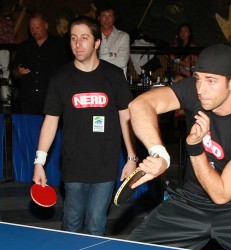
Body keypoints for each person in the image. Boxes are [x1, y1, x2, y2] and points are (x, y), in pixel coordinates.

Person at [127, 44, 231, 250]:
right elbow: (139, 105)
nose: (200, 89)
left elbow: (221, 194)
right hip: (191, 201)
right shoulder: (195, 90)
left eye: (211, 81)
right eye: (197, 78)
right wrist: (159, 154)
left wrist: (195, 148)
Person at [32, 16, 137, 236]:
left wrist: (131, 157)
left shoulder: (114, 76)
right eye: (73, 38)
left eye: (84, 38)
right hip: (73, 166)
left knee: (96, 226)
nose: (78, 44)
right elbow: (50, 121)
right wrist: (39, 162)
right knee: (71, 224)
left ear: (97, 42)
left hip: (105, 166)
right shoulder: (60, 78)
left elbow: (126, 118)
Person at [12, 12, 66, 114]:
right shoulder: (24, 47)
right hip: (28, 100)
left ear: (45, 26)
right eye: (31, 28)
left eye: (37, 27)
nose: (34, 31)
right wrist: (18, 71)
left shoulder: (59, 44)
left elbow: (67, 70)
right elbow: (14, 72)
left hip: (52, 99)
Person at [97, 3, 130, 77]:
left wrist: (99, 59)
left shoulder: (123, 36)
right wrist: (112, 55)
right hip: (98, 81)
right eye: (104, 15)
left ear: (114, 18)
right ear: (99, 17)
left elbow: (122, 61)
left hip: (118, 82)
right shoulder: (93, 36)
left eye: (110, 16)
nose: (107, 19)